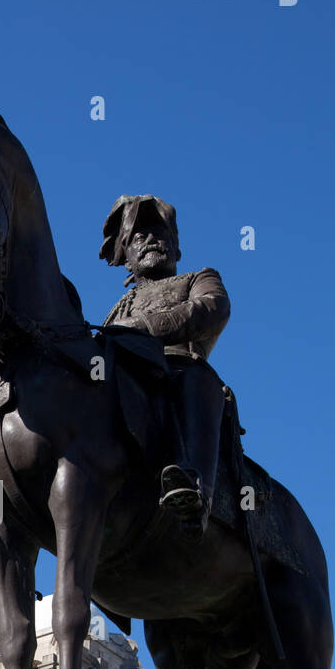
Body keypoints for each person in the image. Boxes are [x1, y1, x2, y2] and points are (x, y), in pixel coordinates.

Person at [99, 194, 229, 537]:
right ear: (127, 259)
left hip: (179, 370)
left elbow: (213, 309)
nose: (151, 241)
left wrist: (146, 327)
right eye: (139, 237)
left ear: (177, 250)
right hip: (122, 379)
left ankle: (195, 492)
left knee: (195, 377)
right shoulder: (115, 310)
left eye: (161, 236)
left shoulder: (199, 278)